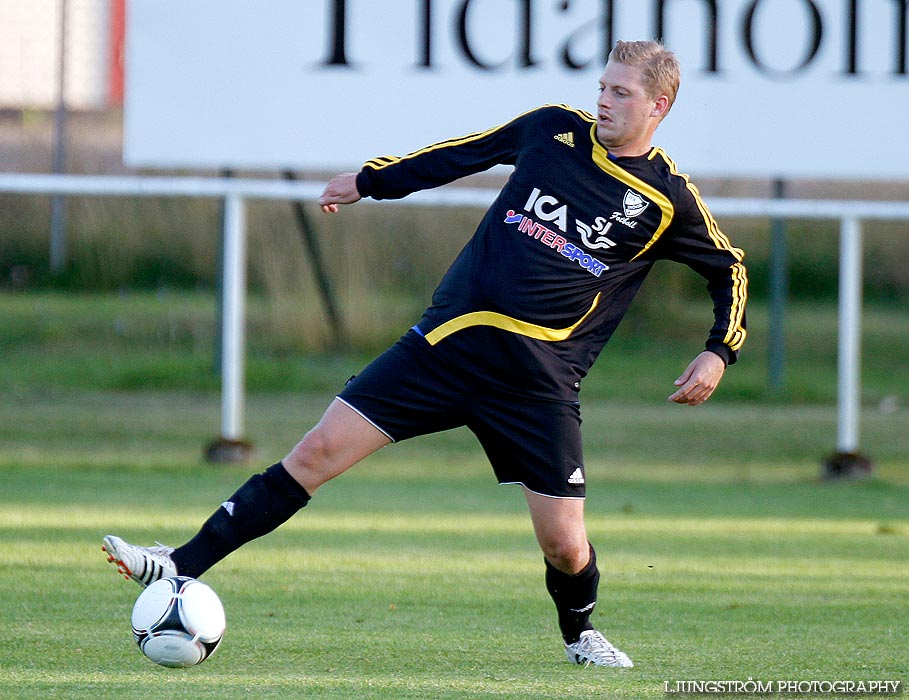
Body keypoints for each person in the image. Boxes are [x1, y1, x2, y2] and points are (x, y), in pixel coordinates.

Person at [102, 40, 747, 668]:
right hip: (443, 348)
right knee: (315, 453)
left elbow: (730, 270)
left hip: (537, 385)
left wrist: (719, 350)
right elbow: (461, 155)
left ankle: (580, 635)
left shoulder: (667, 201)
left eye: (620, 92)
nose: (603, 100)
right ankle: (178, 563)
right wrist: (369, 180)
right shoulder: (552, 130)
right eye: (602, 86)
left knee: (565, 546)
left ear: (659, 105)